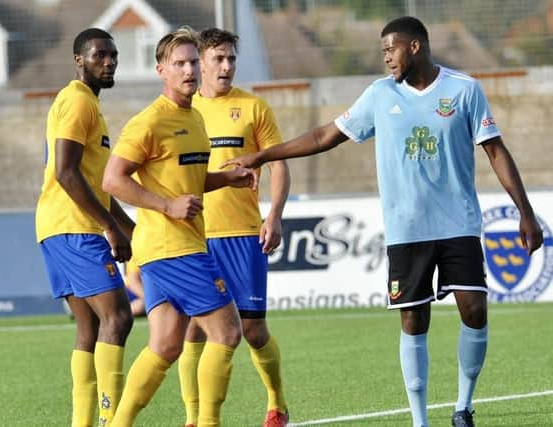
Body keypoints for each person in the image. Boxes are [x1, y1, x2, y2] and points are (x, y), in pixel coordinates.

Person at [221, 16, 544, 427]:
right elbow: (325, 136)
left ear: (414, 46)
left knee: (475, 310)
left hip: (458, 223)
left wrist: (526, 212)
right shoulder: (379, 95)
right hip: (406, 229)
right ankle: (419, 420)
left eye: (390, 49)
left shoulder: (464, 90)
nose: (386, 58)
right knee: (414, 319)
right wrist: (265, 155)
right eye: (382, 51)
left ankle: (463, 406)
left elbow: (495, 151)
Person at [101, 27, 258, 427]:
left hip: (166, 249)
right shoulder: (149, 121)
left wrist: (226, 178)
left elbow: (186, 181)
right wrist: (166, 205)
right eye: (179, 63)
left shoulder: (194, 117)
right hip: (174, 248)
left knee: (166, 344)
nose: (189, 70)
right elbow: (113, 180)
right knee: (226, 333)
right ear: (161, 70)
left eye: (192, 62)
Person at [176, 27, 291, 427]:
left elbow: (278, 164)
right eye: (218, 59)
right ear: (200, 63)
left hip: (242, 234)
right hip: (195, 236)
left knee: (254, 331)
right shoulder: (182, 111)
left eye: (232, 59)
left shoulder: (254, 108)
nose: (227, 67)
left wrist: (273, 215)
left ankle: (276, 404)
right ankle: (195, 418)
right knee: (192, 330)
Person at [35, 28, 135, 427]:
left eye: (113, 55)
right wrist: (109, 227)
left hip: (59, 225)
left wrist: (131, 228)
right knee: (120, 318)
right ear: (79, 60)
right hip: (75, 228)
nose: (108, 62)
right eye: (99, 55)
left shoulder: (84, 103)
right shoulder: (79, 102)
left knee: (90, 327)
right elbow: (66, 173)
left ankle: (84, 423)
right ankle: (112, 420)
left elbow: (96, 185)